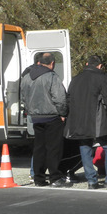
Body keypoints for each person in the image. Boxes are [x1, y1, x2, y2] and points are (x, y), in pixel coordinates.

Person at [64, 55, 107, 190]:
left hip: (79, 120)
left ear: (87, 64)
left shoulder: (76, 79)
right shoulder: (102, 78)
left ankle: (91, 180)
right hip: (98, 120)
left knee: (85, 146)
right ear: (100, 66)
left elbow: (68, 100)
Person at [21, 52, 69, 187]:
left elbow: (23, 97)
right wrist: (63, 113)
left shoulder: (26, 77)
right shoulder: (52, 76)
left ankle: (38, 178)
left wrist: (30, 111)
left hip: (35, 117)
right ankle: (55, 177)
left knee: (39, 148)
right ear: (52, 63)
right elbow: (59, 98)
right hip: (52, 116)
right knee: (54, 148)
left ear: (38, 62)